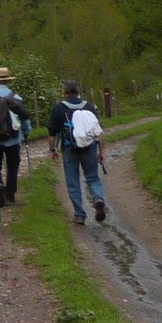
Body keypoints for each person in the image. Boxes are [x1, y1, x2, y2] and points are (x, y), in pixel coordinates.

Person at [48, 80, 107, 224]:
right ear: (78, 92)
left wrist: (52, 150)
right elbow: (99, 132)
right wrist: (101, 151)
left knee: (73, 181)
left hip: (69, 148)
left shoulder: (59, 108)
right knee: (93, 177)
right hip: (89, 147)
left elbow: (52, 133)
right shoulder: (89, 106)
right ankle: (98, 198)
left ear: (65, 93)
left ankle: (79, 214)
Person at [0, 65, 26, 207]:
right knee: (13, 166)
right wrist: (26, 132)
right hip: (13, 138)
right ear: (8, 81)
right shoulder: (15, 97)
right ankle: (10, 194)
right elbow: (24, 117)